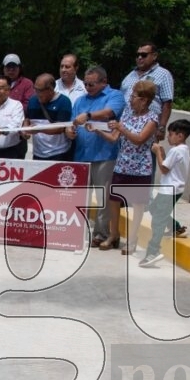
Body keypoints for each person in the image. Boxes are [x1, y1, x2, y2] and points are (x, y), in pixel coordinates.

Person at [94, 80, 159, 253]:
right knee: (113, 199)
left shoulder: (152, 119)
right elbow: (115, 138)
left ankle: (132, 239)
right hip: (122, 164)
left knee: (137, 204)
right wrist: (98, 130)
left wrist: (122, 128)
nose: (130, 100)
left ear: (144, 100)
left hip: (140, 167)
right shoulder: (127, 115)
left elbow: (139, 140)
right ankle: (114, 234)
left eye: (133, 96)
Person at [66, 66, 126, 247]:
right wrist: (69, 131)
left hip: (105, 155)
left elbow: (109, 113)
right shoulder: (80, 101)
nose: (87, 87)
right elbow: (71, 122)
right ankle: (77, 230)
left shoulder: (114, 96)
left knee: (102, 198)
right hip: (82, 154)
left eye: (91, 84)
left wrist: (89, 115)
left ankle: (100, 233)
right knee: (80, 196)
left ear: (103, 82)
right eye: (85, 83)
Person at [140, 119, 190, 268]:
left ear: (180, 135)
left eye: (171, 134)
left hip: (169, 190)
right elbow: (168, 164)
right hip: (173, 189)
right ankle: (176, 227)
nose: (168, 137)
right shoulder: (183, 149)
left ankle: (153, 252)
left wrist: (158, 151)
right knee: (155, 210)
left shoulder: (176, 150)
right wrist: (162, 153)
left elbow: (164, 169)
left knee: (157, 220)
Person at [121, 42, 174, 141]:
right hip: (126, 125)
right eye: (137, 55)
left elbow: (167, 103)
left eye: (144, 55)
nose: (140, 58)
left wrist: (162, 127)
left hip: (147, 126)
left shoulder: (163, 74)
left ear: (154, 56)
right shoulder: (130, 75)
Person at [24, 73, 74, 162]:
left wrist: (39, 129)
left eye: (40, 90)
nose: (36, 93)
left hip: (59, 153)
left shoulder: (64, 102)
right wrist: (25, 129)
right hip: (38, 153)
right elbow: (27, 118)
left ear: (51, 90)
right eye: (35, 89)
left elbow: (60, 128)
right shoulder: (32, 100)